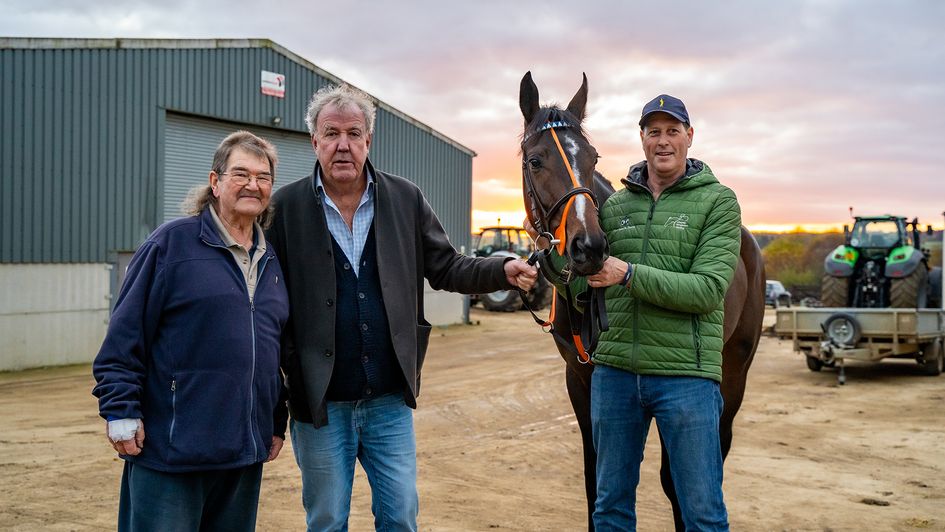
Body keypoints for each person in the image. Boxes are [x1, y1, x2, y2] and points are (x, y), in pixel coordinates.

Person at [266, 84, 538, 531]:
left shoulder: (404, 199)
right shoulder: (285, 208)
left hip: (389, 401)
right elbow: (268, 307)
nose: (343, 145)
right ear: (313, 141)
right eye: (331, 133)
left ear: (369, 141)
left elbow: (448, 266)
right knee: (327, 519)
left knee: (401, 516)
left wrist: (499, 269)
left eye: (354, 133)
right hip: (320, 406)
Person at [547, 94, 740, 530]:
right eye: (654, 132)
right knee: (610, 508)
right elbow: (582, 280)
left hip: (686, 379)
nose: (663, 141)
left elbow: (708, 291)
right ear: (642, 139)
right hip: (614, 376)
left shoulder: (718, 203)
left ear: (690, 137)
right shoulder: (615, 208)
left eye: (673, 131)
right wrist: (548, 253)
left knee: (702, 511)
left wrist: (629, 274)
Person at [92, 131, 290, 531]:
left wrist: (275, 418)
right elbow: (124, 336)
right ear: (215, 182)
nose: (253, 184)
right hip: (172, 452)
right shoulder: (171, 246)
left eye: (263, 176)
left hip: (242, 457)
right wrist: (120, 409)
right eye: (240, 174)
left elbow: (272, 350)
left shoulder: (271, 260)